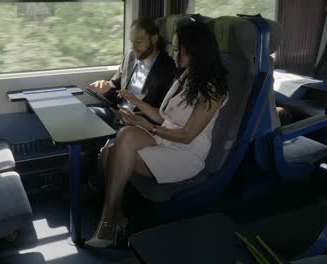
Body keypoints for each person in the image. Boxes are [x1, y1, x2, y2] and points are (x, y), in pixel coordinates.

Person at [85, 21, 229, 248]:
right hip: (166, 137)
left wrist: (148, 126)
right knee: (121, 138)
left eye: (178, 48)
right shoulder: (186, 76)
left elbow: (188, 135)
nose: (173, 53)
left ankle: (109, 221)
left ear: (194, 50)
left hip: (186, 152)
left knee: (112, 152)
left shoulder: (213, 89)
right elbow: (164, 117)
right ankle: (115, 216)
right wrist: (134, 104)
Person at [89, 17, 177, 125]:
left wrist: (132, 116)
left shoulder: (168, 68)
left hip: (138, 122)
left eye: (139, 42)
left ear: (154, 39)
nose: (133, 47)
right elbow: (115, 85)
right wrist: (105, 88)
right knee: (87, 114)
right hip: (117, 113)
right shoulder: (130, 57)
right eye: (132, 42)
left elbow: (162, 112)